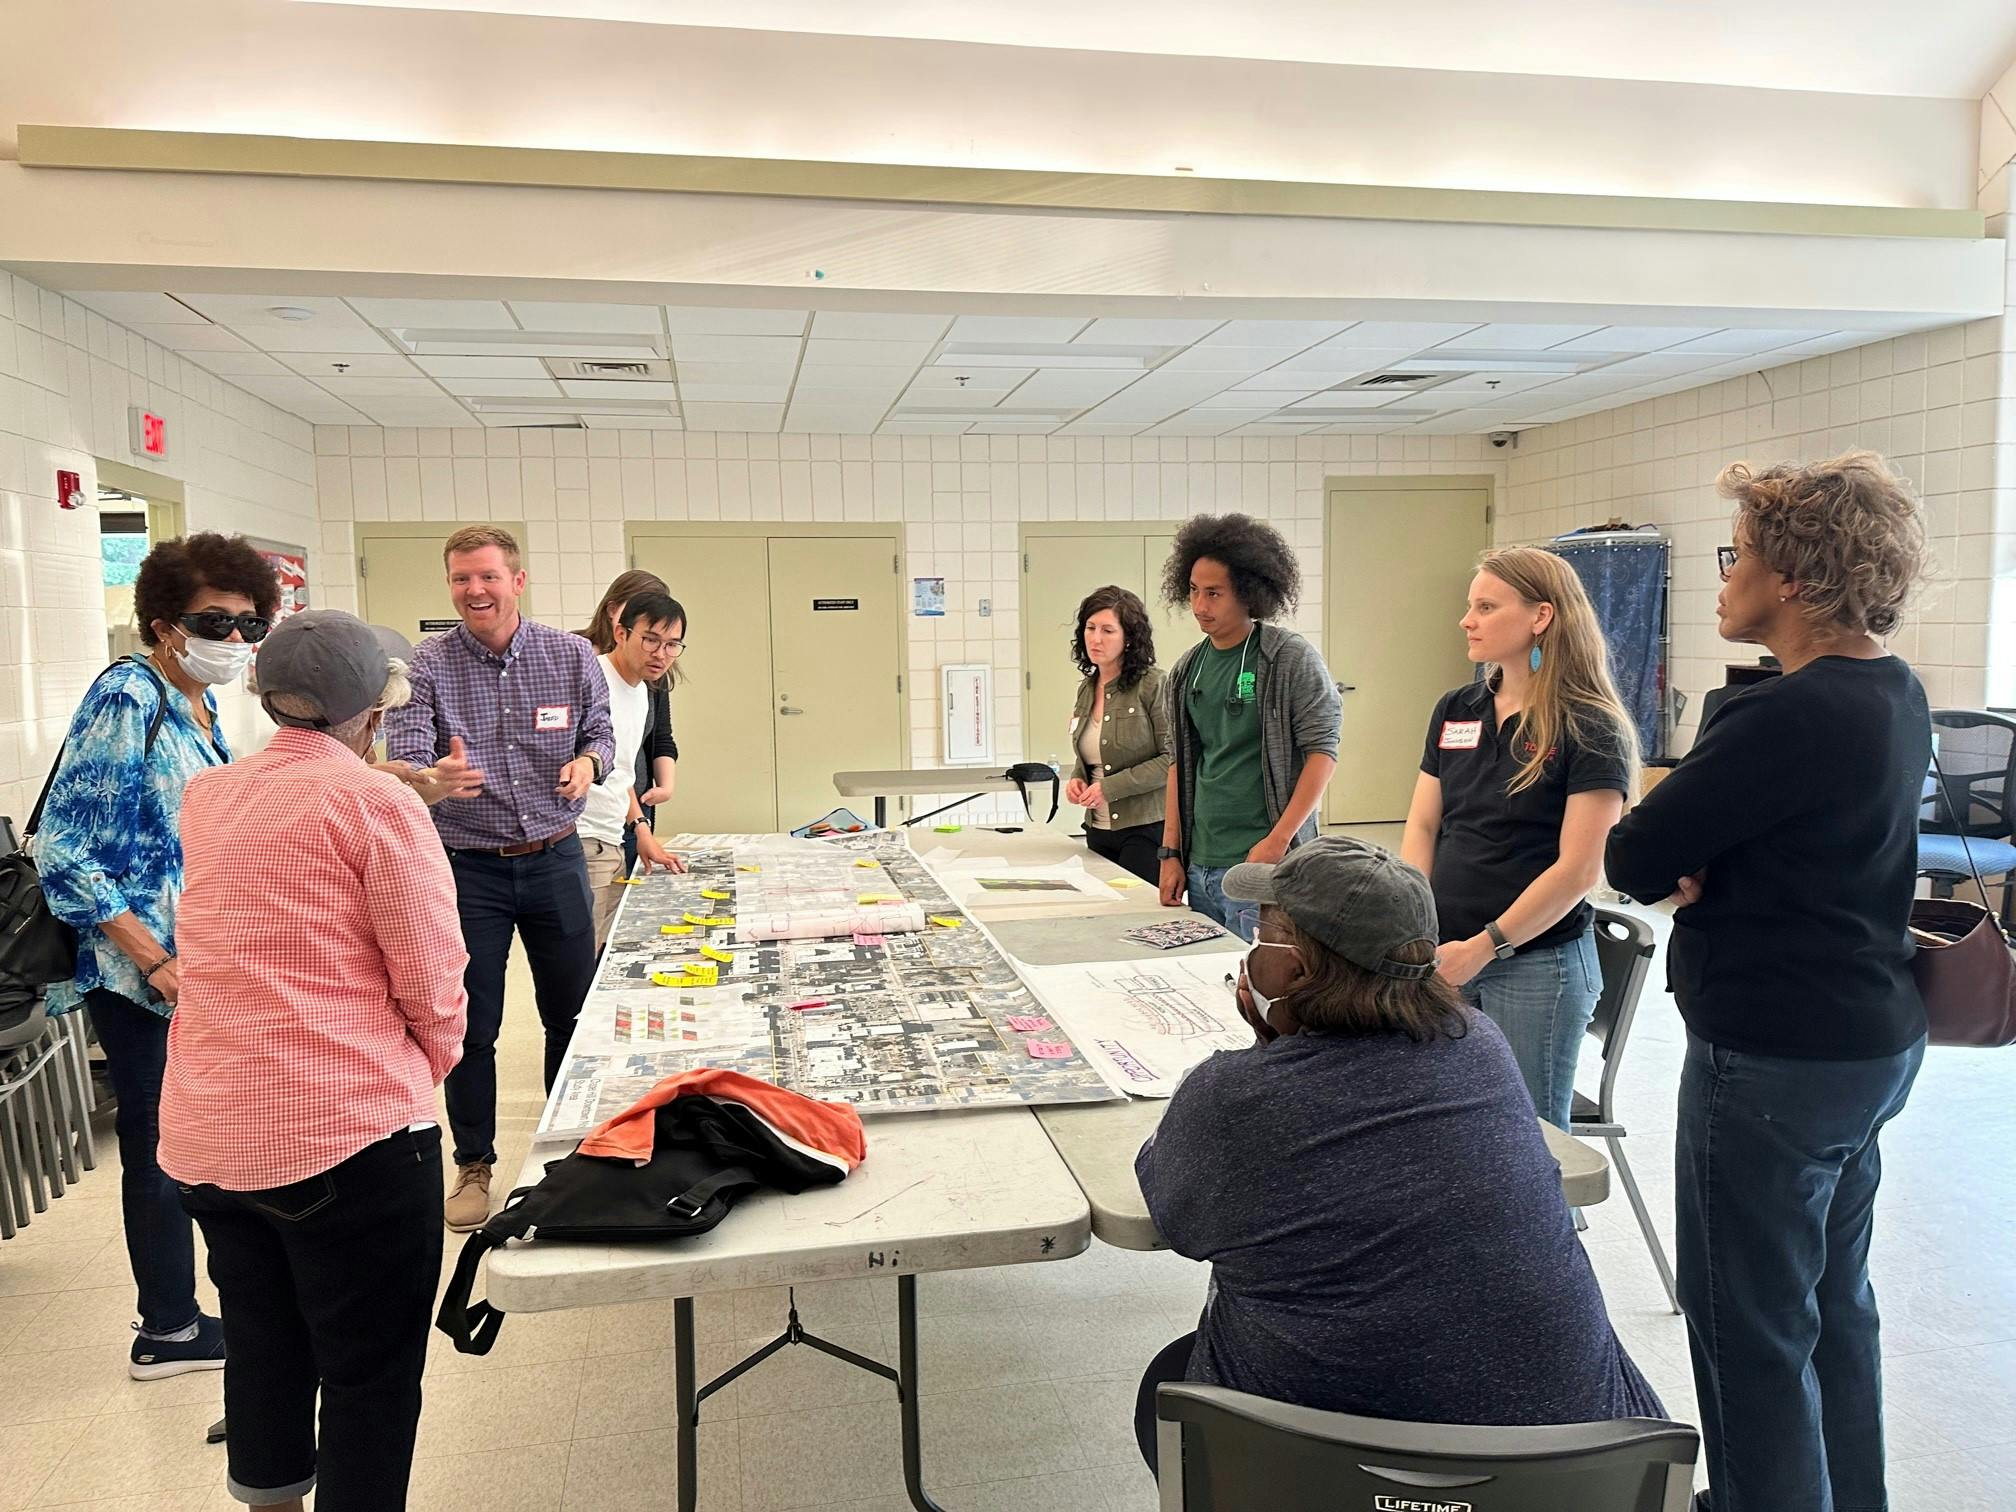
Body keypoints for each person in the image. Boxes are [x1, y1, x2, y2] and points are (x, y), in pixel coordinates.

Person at [1606, 452, 1931, 1512]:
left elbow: (1635, 856)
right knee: (1835, 1305)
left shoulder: (1781, 714)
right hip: (1868, 1045)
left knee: (1747, 1322)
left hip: (1772, 1061)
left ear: (1792, 577)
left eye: (1735, 555)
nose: (1724, 576)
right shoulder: (1895, 690)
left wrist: (1702, 860)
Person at [1133, 837, 1662, 1474]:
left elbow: (1176, 1215)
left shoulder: (1233, 1096)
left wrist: (1267, 1047)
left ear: (1298, 970)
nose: (1250, 950)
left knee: (1164, 1388)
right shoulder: (1479, 1043)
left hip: (1326, 1472)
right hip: (1578, 1467)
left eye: (1262, 931)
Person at [160, 611, 468, 1512]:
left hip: (212, 1134)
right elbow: (432, 972)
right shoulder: (379, 804)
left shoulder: (212, 794)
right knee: (369, 1374)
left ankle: (272, 1502)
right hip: (346, 1138)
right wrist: (431, 1064)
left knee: (264, 1348)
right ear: (374, 711)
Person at [35, 532, 280, 1378]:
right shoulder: (129, 696)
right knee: (158, 1144)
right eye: (216, 621)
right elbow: (64, 848)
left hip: (193, 971)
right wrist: (152, 957)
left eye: (249, 625)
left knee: (187, 1141)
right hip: (139, 975)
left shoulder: (200, 709)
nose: (234, 640)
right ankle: (167, 1329)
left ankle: (191, 1311)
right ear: (162, 620)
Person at [383, 525, 614, 1232]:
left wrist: (590, 765)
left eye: (487, 576)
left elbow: (601, 732)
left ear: (518, 580)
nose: (474, 591)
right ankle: (474, 1165)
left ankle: (567, 1155)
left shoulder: (570, 654)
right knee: (471, 1027)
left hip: (555, 857)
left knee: (571, 1016)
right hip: (467, 869)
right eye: (460, 579)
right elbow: (404, 759)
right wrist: (431, 778)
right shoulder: (426, 664)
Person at [1399, 546, 1638, 1128]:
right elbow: (1424, 824)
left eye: (1486, 606)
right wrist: (1412, 923)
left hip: (1534, 965)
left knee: (1526, 1137)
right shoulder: (1458, 708)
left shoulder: (1588, 724)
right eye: (1469, 605)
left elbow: (1580, 870)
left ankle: (1551, 1225)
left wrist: (1483, 948)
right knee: (1448, 1126)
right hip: (1442, 952)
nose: (1467, 620)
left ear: (1541, 616)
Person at [1155, 513, 1341, 940]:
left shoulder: (1289, 659)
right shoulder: (1187, 669)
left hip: (1262, 862)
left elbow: (1322, 753)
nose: (1201, 606)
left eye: (1215, 593)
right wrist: (1171, 853)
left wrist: (1278, 841)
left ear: (1249, 592)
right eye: (1194, 592)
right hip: (1200, 863)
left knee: (1261, 992)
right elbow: (1178, 764)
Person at [581, 590, 687, 948]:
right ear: (621, 632)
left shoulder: (642, 690)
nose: (661, 654)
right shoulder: (590, 677)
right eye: (651, 640)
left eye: (673, 645)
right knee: (582, 957)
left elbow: (621, 771)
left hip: (611, 837)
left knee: (606, 948)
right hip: (581, 837)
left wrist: (641, 830)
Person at [1061, 586, 1171, 884]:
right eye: (1090, 627)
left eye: (1108, 630)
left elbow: (1171, 759)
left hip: (1146, 830)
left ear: (1129, 638)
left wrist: (1111, 788)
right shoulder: (1086, 688)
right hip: (1097, 828)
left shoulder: (1153, 685)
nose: (1096, 638)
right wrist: (1077, 778)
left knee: (1135, 921)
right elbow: (1090, 751)